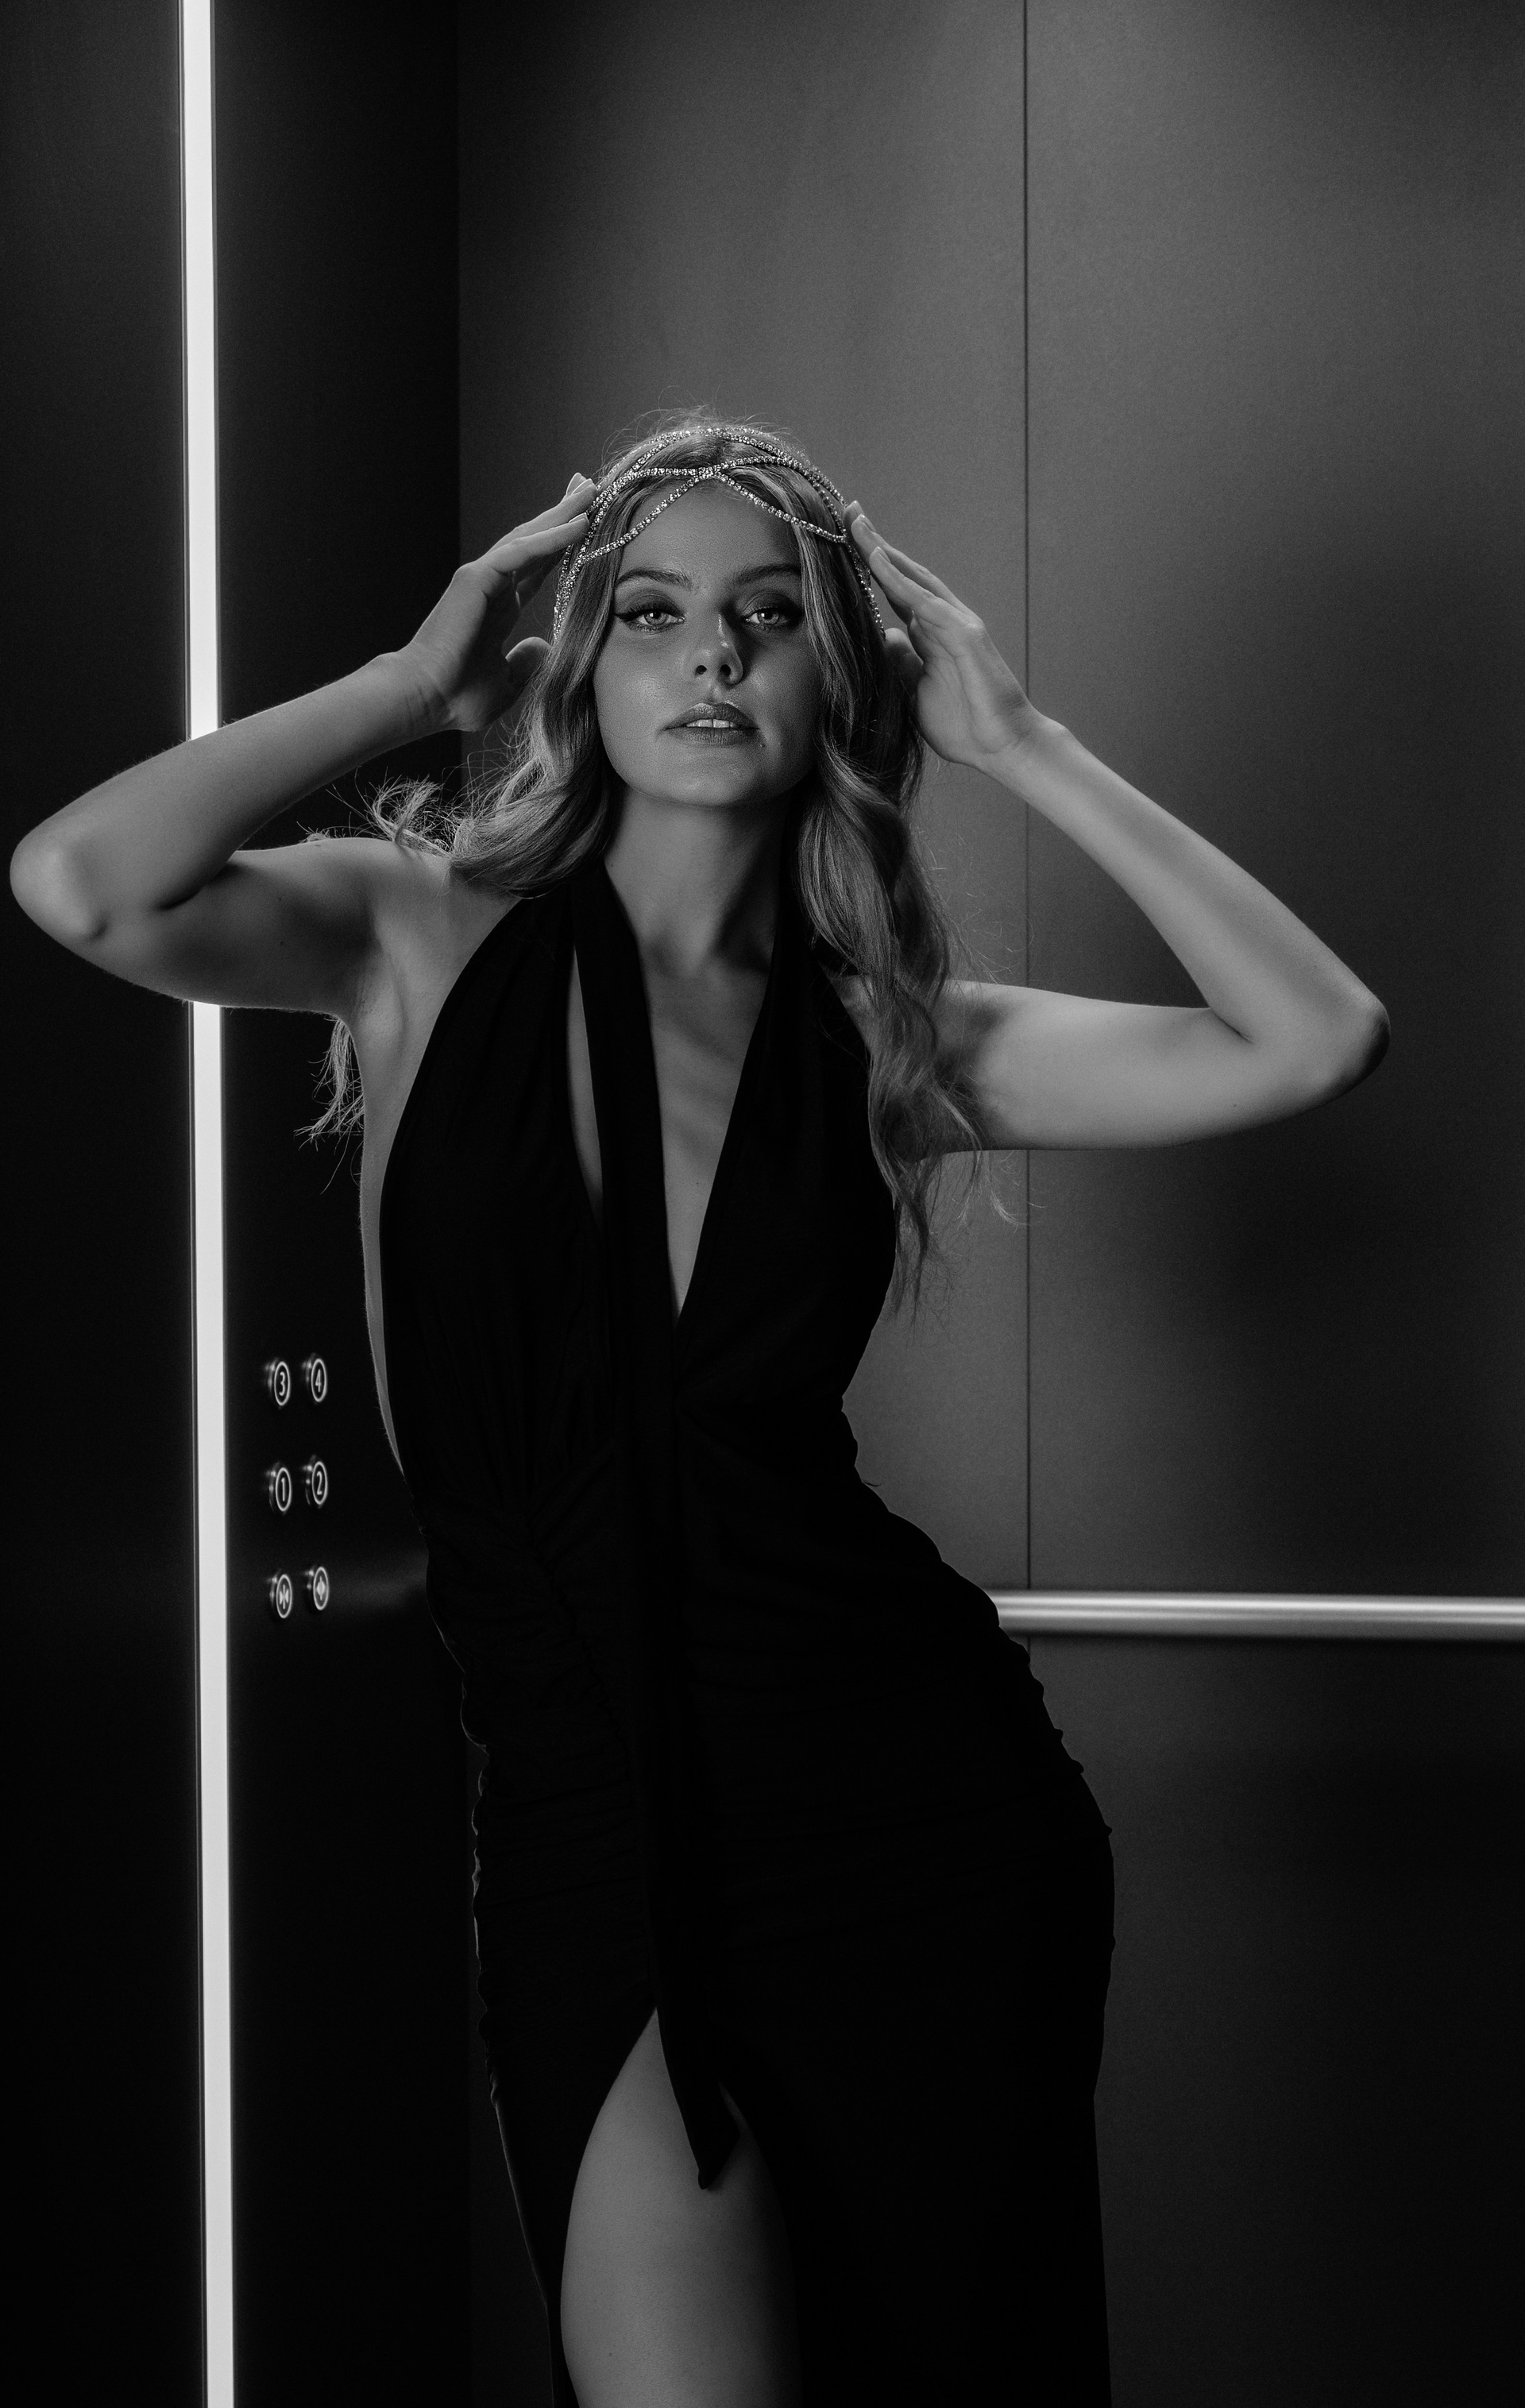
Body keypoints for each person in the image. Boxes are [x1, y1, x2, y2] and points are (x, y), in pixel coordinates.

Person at [10, 417, 1387, 2406]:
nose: (714, 655)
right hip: (584, 1828)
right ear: (583, 669)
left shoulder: (887, 1035)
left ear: (847, 675)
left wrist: (1023, 742)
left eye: (771, 615)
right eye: (653, 613)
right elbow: (76, 879)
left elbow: (1317, 1038)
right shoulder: (413, 933)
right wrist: (405, 683)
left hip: (913, 1826)